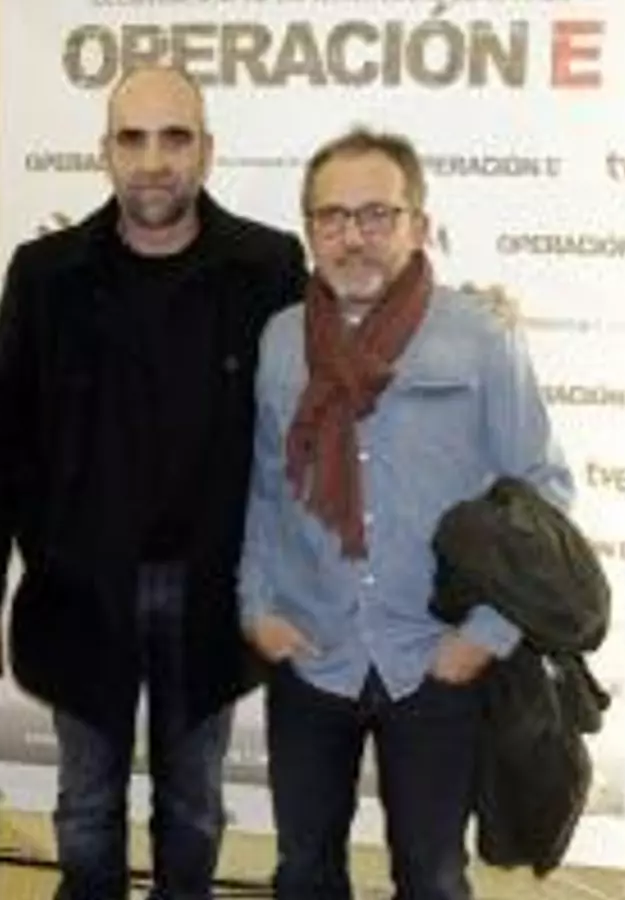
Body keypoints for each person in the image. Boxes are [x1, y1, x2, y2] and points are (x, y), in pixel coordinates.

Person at [0, 65, 308, 898]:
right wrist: (49, 549)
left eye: (175, 138)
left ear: (207, 151)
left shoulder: (269, 266)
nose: (154, 161)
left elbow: (301, 429)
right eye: (133, 139)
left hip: (212, 592)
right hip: (81, 591)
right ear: (105, 153)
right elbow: (6, 439)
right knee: (84, 808)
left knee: (195, 807)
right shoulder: (45, 274)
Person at [238, 128, 574, 900]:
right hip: (312, 653)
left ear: (419, 225)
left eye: (377, 215)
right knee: (303, 871)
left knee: (432, 876)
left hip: (433, 661)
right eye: (332, 217)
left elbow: (543, 492)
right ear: (309, 230)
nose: (352, 237)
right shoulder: (282, 340)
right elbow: (264, 486)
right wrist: (255, 607)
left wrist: (485, 636)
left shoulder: (481, 336)